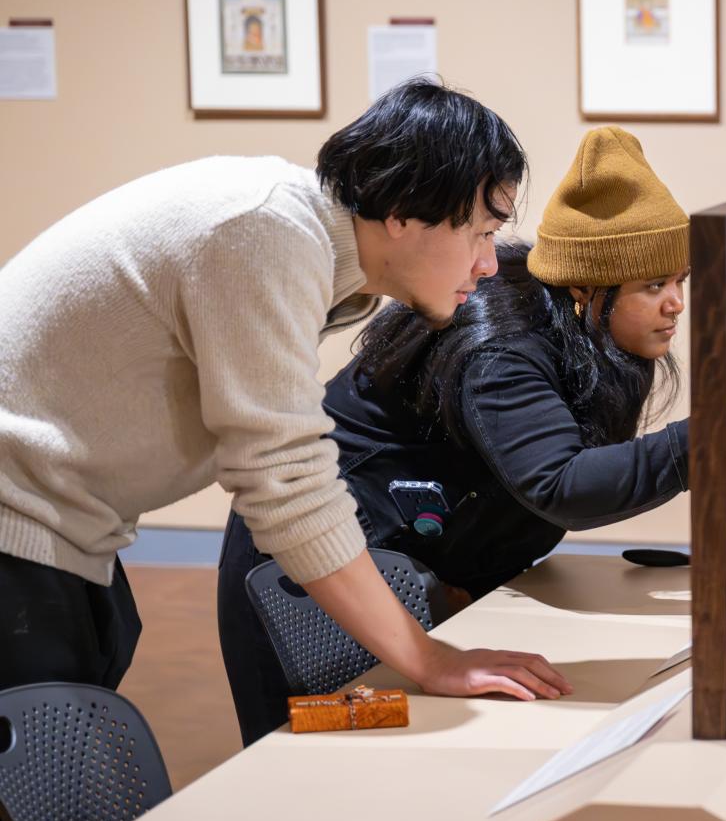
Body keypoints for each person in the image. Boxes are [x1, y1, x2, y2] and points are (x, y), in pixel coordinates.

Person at [0, 81, 570, 821]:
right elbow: (285, 480)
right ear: (400, 211)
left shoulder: (306, 246)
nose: (490, 262)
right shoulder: (261, 234)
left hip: (67, 530)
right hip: (15, 528)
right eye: (479, 228)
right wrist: (426, 660)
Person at [218, 125, 691, 744]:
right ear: (584, 290)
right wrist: (713, 437)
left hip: (417, 571)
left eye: (680, 280)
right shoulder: (502, 348)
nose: (676, 304)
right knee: (310, 771)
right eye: (654, 286)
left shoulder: (583, 335)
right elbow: (561, 483)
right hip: (316, 574)